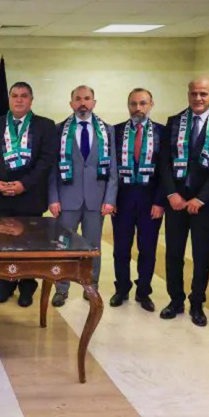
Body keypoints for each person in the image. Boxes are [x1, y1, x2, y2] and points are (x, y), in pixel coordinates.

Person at [159, 76, 209, 327]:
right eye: (194, 93)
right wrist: (172, 193)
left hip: (205, 204)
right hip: (176, 203)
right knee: (174, 254)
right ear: (188, 95)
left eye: (204, 93)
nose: (198, 98)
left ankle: (197, 303)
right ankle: (175, 300)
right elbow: (164, 162)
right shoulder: (174, 122)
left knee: (201, 255)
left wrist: (201, 198)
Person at [0, 81, 58, 307]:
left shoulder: (45, 125)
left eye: (24, 95)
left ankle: (27, 287)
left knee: (30, 245)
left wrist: (24, 184)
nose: (19, 99)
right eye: (15, 95)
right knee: (2, 244)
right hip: (1, 196)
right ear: (9, 99)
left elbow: (46, 161)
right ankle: (4, 285)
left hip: (31, 196)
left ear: (31, 100)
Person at [48, 85, 117, 307]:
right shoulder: (58, 130)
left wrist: (110, 199)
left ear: (94, 102)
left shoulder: (107, 130)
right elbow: (52, 168)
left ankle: (91, 285)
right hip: (67, 199)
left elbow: (113, 168)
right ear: (71, 104)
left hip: (96, 200)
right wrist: (53, 198)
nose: (82, 103)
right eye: (78, 99)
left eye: (87, 98)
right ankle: (61, 287)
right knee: (63, 245)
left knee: (93, 247)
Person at [110, 88, 167, 312]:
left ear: (151, 104)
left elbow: (166, 170)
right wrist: (110, 199)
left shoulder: (163, 132)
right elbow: (109, 168)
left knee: (148, 249)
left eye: (143, 103)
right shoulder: (115, 131)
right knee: (121, 248)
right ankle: (121, 288)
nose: (138, 108)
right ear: (128, 106)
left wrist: (160, 201)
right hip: (122, 200)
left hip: (150, 201)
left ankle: (143, 291)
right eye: (133, 104)